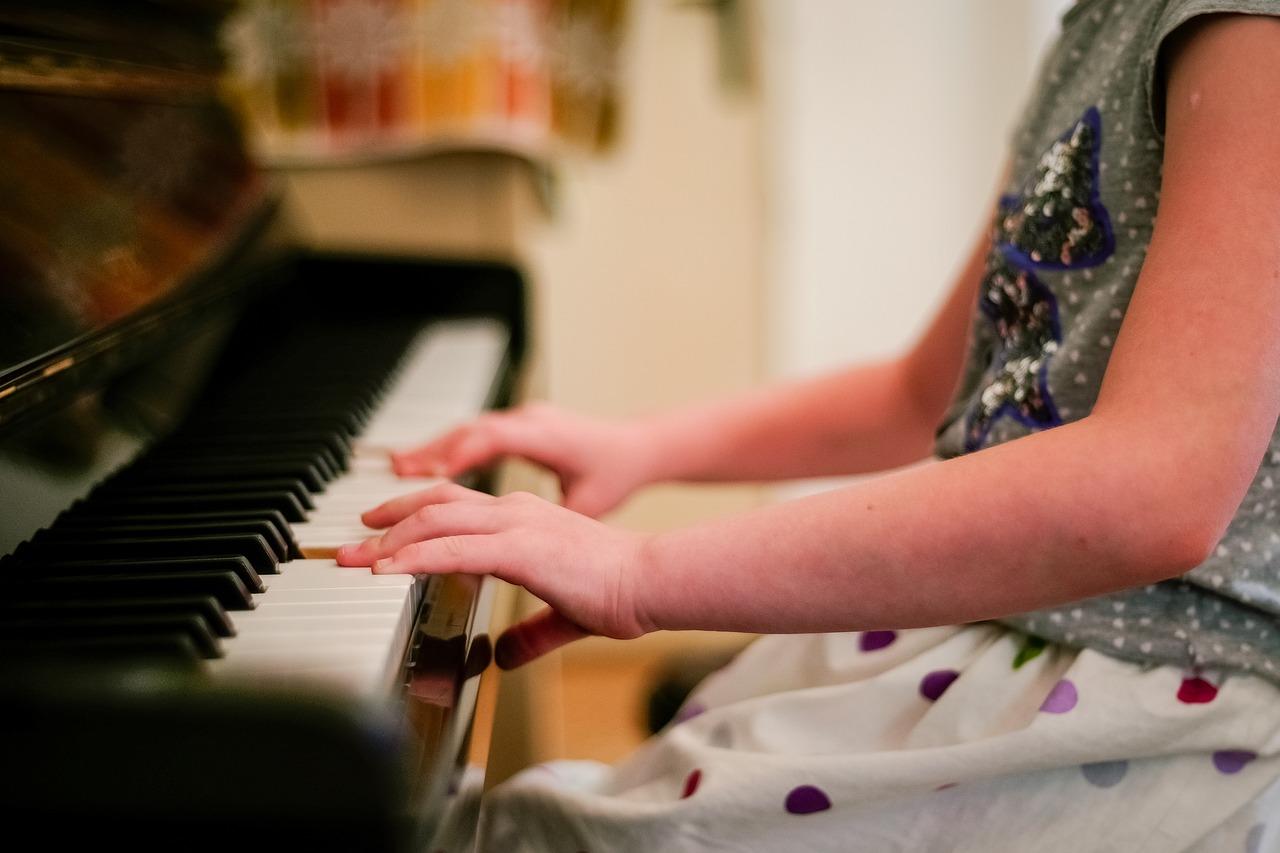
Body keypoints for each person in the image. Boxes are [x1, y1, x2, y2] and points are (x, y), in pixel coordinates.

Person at [338, 2, 1280, 849]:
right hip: (995, 629)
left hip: (1158, 698)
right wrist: (646, 447)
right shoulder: (1098, 22)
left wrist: (640, 573)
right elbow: (921, 397)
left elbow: (1156, 490)